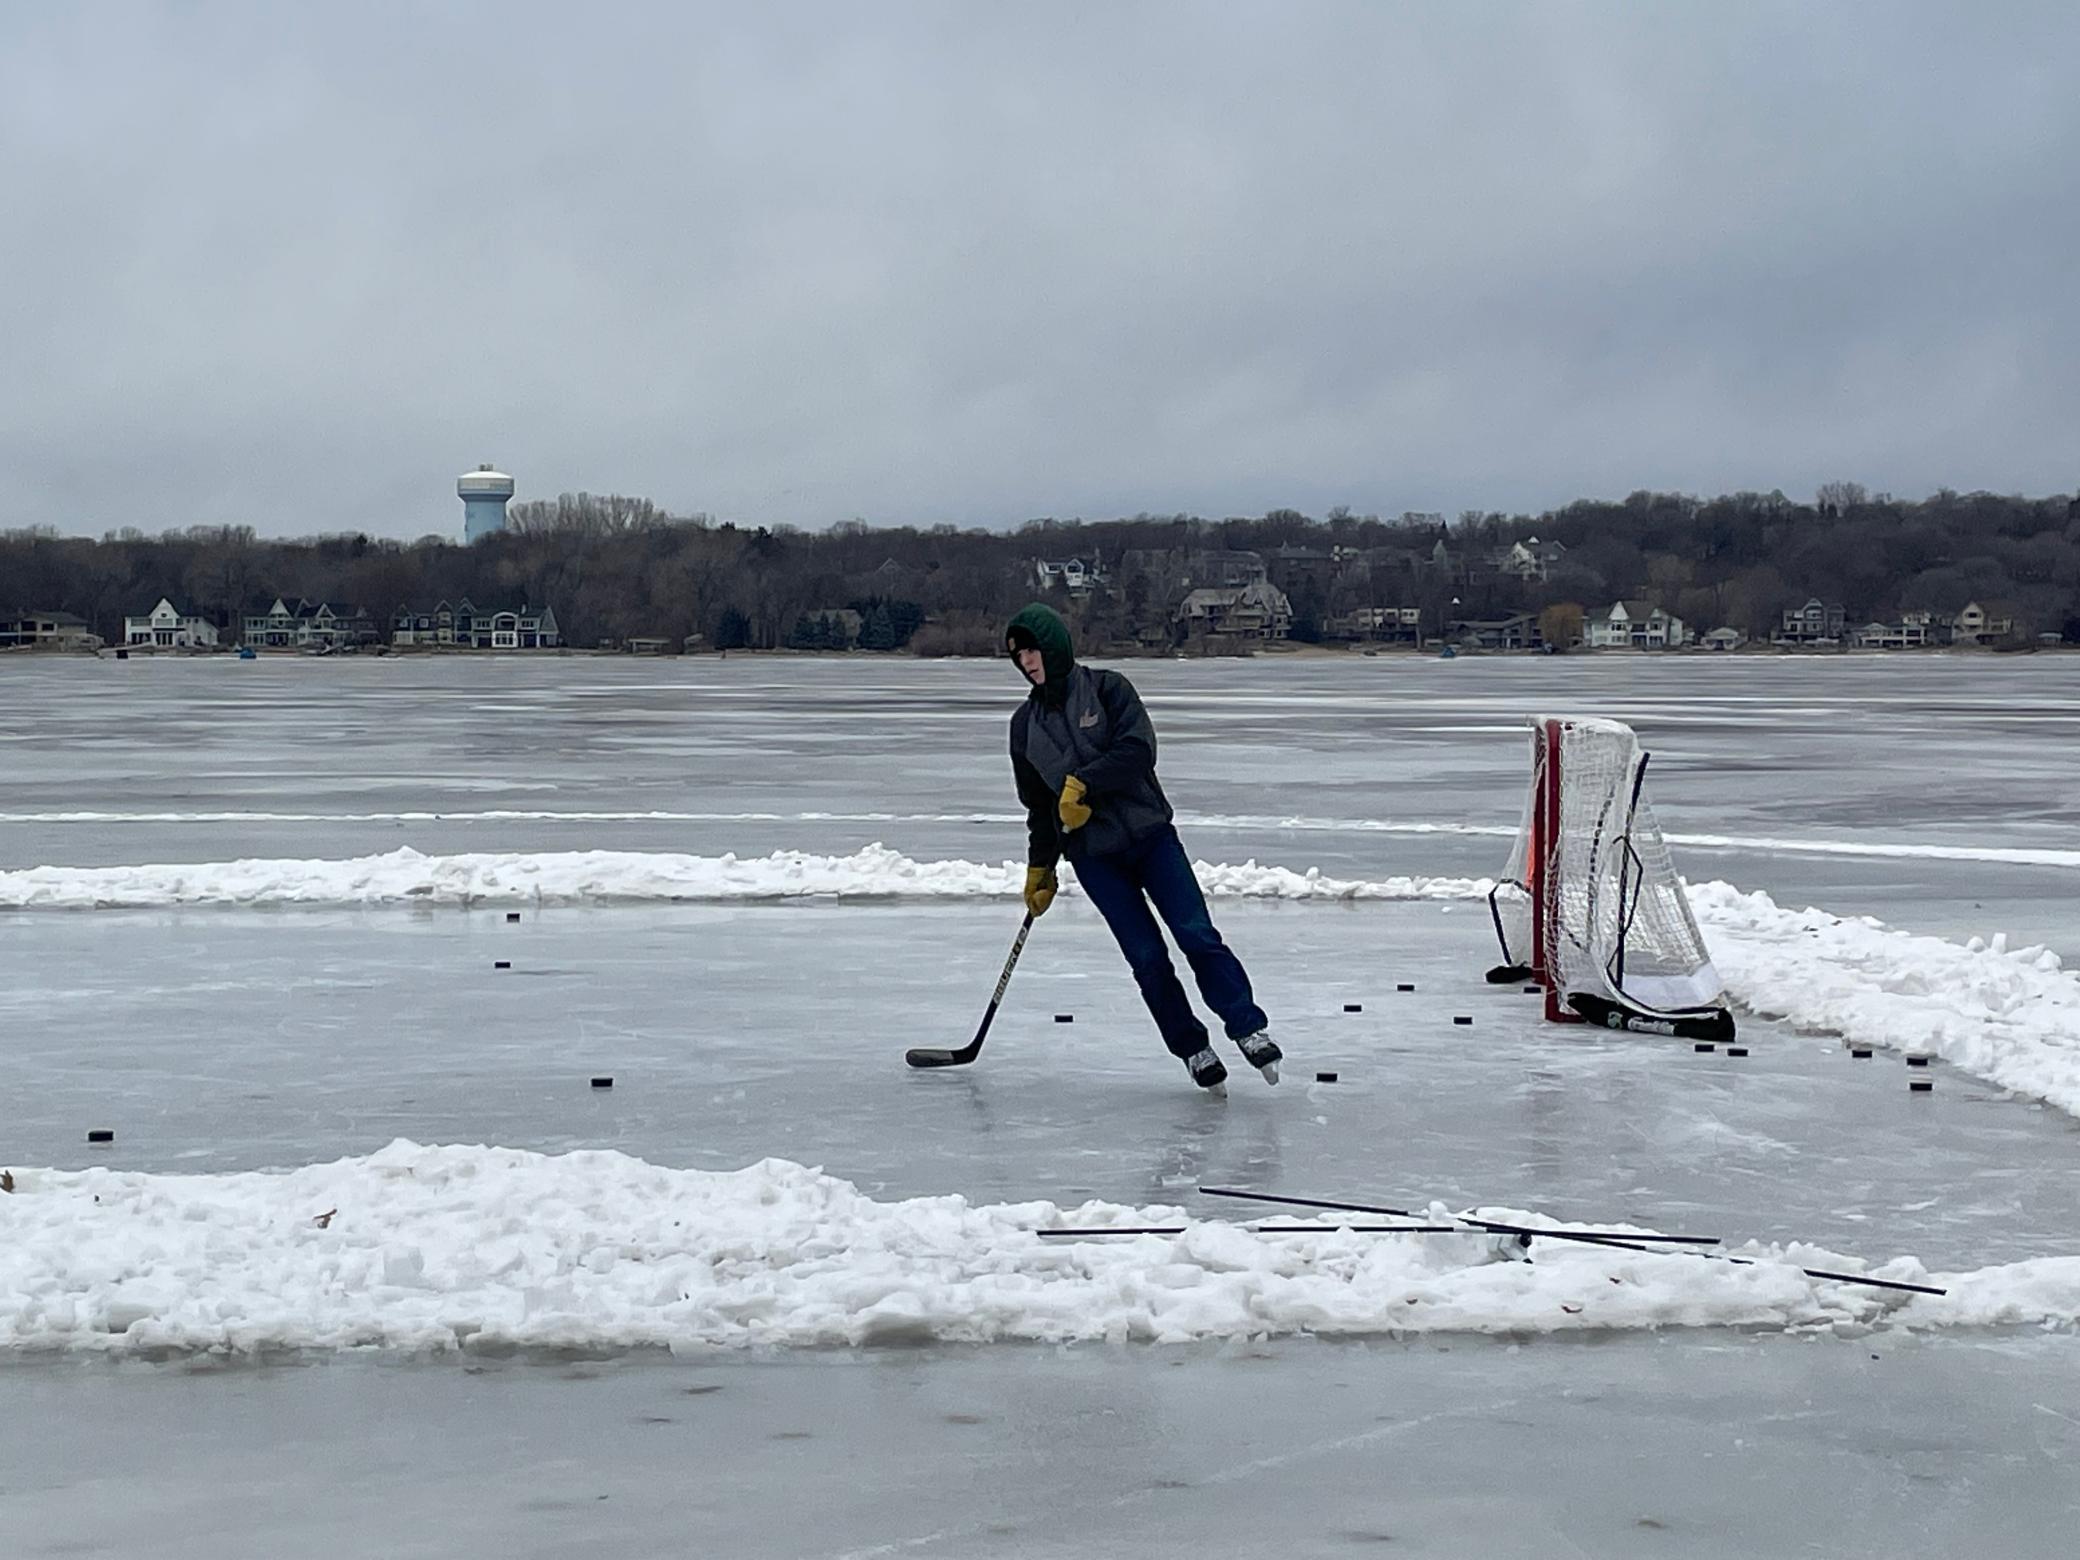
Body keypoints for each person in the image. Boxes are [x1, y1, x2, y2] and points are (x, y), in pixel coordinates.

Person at [1004, 602, 1279, 1093]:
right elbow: (1039, 808)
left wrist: (1083, 784)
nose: (1027, 661)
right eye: (1019, 654)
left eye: (1032, 648)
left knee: (1197, 936)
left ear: (1054, 646)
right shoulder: (1024, 728)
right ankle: (1193, 1048)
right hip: (1094, 857)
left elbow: (1137, 750)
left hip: (1151, 837)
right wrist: (1039, 868)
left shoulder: (1108, 689)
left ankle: (1247, 1027)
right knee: (1147, 958)